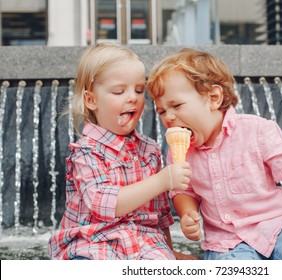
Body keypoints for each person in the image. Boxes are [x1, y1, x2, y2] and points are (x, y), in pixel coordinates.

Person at [146, 48, 282, 260]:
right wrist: (186, 213)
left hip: (278, 226)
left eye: (176, 105)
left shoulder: (256, 130)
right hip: (226, 242)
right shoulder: (180, 154)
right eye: (161, 111)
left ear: (214, 98)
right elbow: (184, 191)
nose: (168, 117)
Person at [48, 43, 194, 260]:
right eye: (119, 91)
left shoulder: (150, 150)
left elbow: (160, 215)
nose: (132, 97)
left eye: (139, 90)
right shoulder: (86, 152)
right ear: (91, 100)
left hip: (145, 243)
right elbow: (103, 203)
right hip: (93, 242)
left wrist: (170, 251)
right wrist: (162, 181)